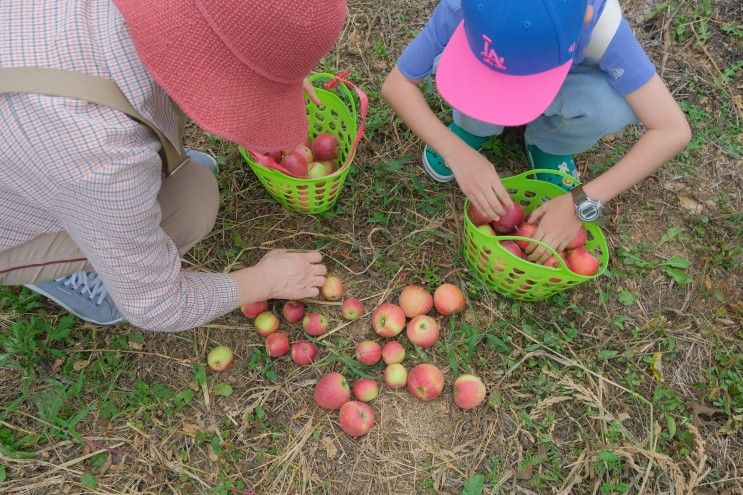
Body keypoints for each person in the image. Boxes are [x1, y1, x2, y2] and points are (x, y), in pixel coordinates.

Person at [0, 0, 348, 330]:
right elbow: (158, 306)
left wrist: (264, 73)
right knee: (192, 206)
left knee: (177, 186)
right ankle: (73, 270)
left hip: (35, 140)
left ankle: (105, 220)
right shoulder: (101, 155)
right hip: (19, 213)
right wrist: (266, 280)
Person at [382, 0, 691, 262]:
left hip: (567, 82)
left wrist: (581, 202)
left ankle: (551, 142)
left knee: (613, 103)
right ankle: (472, 128)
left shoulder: (599, 23)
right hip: (488, 70)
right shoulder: (465, 7)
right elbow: (397, 84)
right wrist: (454, 150)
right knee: (454, 60)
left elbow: (672, 129)